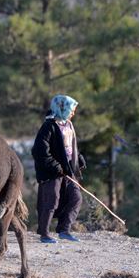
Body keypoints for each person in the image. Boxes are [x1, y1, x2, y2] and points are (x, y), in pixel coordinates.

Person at [31, 94, 85, 243]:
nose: (73, 113)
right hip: (52, 173)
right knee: (51, 201)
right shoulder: (49, 126)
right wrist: (55, 167)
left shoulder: (68, 124)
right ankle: (44, 233)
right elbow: (39, 151)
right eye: (71, 109)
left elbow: (70, 147)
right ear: (62, 108)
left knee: (76, 198)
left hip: (68, 170)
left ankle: (64, 230)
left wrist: (78, 159)